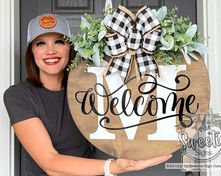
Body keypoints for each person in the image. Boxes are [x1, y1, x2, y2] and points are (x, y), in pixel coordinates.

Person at [4, 13, 172, 176]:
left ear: (69, 48)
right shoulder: (18, 96)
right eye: (40, 43)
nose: (50, 50)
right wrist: (114, 167)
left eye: (59, 41)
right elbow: (50, 164)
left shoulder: (88, 88)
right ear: (31, 52)